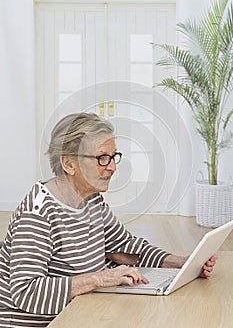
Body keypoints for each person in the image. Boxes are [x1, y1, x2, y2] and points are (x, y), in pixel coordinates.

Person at [0, 112, 216, 328]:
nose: (112, 167)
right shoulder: (38, 213)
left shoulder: (92, 200)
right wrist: (99, 278)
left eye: (114, 156)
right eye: (102, 158)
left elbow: (125, 247)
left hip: (84, 310)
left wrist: (181, 263)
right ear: (68, 164)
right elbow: (25, 292)